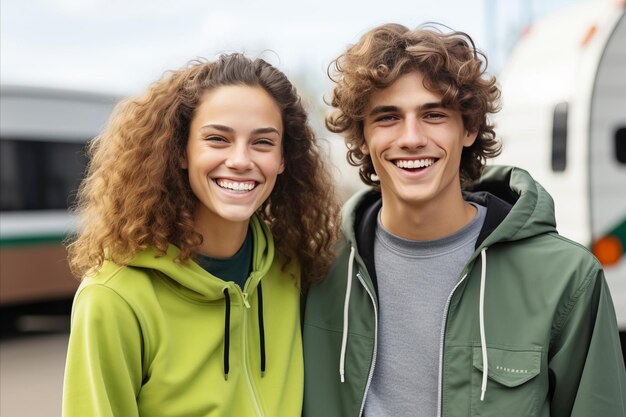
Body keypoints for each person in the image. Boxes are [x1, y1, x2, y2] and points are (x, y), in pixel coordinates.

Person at [302, 23, 626, 417]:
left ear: (469, 128)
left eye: (433, 114)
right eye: (387, 118)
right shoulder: (314, 267)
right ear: (363, 137)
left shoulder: (567, 278)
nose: (411, 137)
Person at [62, 53, 340, 416]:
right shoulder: (115, 296)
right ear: (181, 151)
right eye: (218, 139)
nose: (241, 160)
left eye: (262, 142)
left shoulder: (292, 268)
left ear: (283, 159)